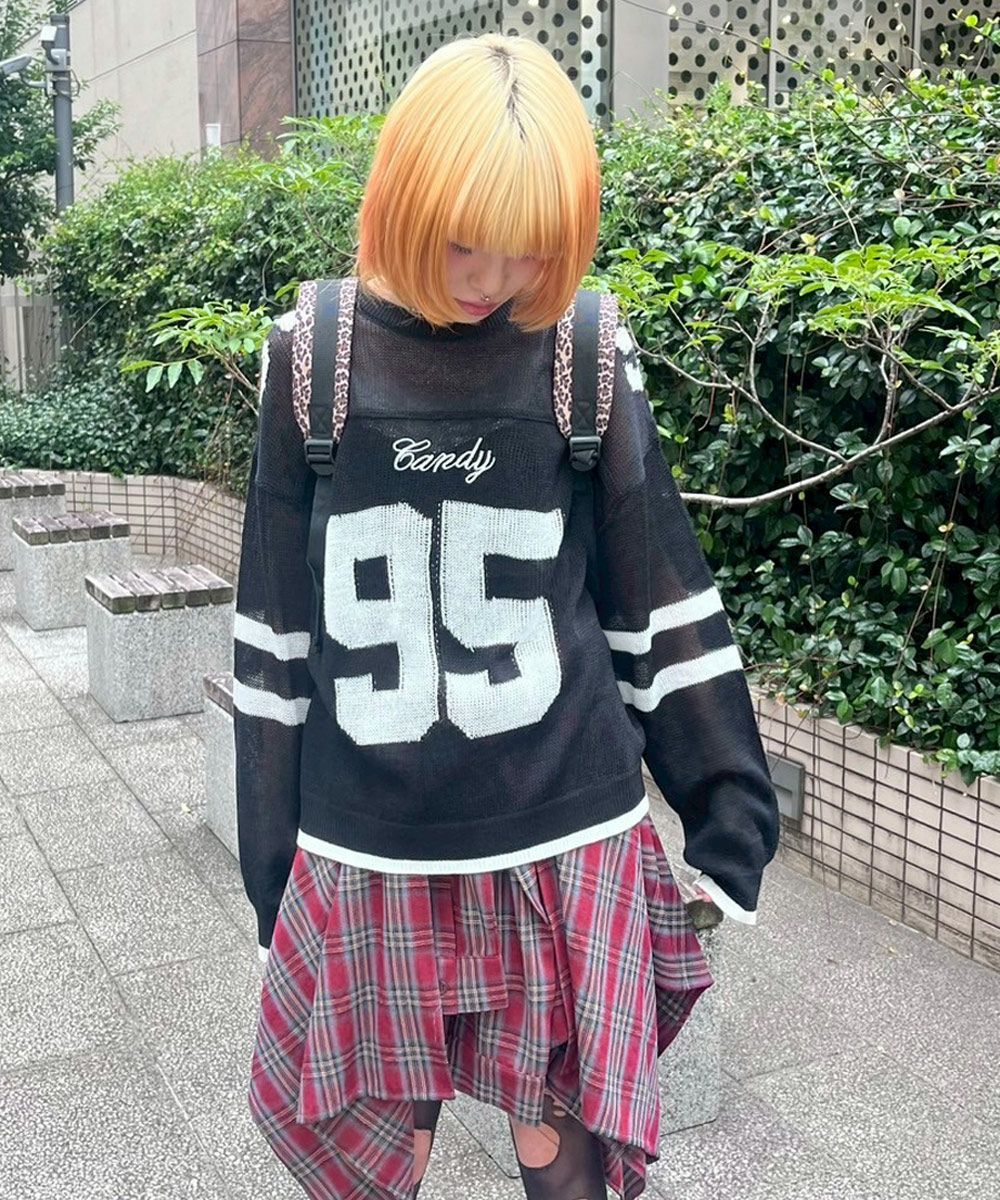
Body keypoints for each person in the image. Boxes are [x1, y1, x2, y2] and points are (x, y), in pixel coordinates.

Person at [233, 31, 780, 1200]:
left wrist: (727, 814)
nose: (490, 277)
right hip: (370, 840)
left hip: (561, 830)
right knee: (379, 1151)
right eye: (461, 240)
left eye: (528, 248)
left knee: (558, 1139)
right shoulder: (311, 357)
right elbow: (276, 633)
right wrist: (272, 860)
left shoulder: (579, 350)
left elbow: (655, 591)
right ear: (401, 199)